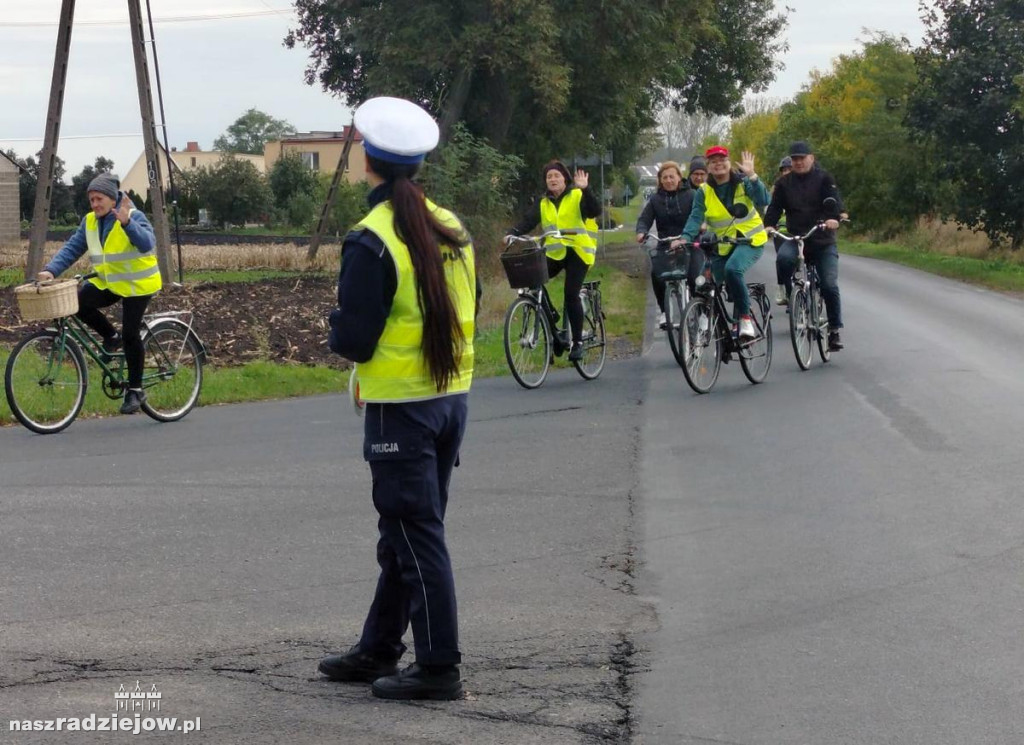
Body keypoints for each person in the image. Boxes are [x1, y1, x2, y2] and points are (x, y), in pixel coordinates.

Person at [321, 96, 478, 702]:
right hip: (450, 401)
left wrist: (335, 329)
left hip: (400, 408)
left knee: (415, 534)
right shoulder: (452, 226)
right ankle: (380, 648)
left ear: (368, 159)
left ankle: (439, 668)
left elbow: (355, 338)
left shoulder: (371, 238)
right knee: (408, 532)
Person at [36, 173, 160, 414]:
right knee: (78, 302)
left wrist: (127, 224)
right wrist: (50, 271)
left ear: (113, 198)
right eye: (91, 200)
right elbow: (73, 247)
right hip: (110, 283)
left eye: (99, 198)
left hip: (138, 285)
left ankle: (135, 390)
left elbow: (147, 243)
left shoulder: (133, 216)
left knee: (131, 334)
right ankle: (110, 336)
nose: (94, 204)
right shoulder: (91, 221)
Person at [509, 160, 601, 361]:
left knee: (570, 294)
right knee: (532, 280)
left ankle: (576, 342)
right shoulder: (543, 202)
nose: (552, 179)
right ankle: (551, 316)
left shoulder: (577, 195)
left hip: (578, 252)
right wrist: (512, 233)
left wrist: (586, 190)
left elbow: (594, 211)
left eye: (556, 176)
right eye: (549, 177)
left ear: (565, 178)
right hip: (555, 253)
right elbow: (528, 220)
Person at [680, 146, 770, 341]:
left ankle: (745, 320)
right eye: (713, 161)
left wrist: (753, 175)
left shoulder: (743, 183)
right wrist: (685, 238)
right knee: (702, 282)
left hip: (749, 240)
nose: (718, 164)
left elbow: (763, 199)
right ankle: (710, 320)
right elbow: (695, 218)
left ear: (729, 163)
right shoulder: (704, 191)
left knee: (733, 270)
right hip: (722, 245)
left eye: (722, 160)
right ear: (708, 167)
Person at [764, 140, 847, 351]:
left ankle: (834, 329)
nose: (798, 162)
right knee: (783, 259)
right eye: (795, 159)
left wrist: (833, 218)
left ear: (811, 158)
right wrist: (769, 225)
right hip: (797, 237)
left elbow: (832, 200)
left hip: (822, 240)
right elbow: (774, 207)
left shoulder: (824, 178)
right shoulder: (784, 184)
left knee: (829, 284)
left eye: (802, 158)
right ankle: (792, 294)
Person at [635, 157, 707, 328]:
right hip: (665, 243)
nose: (668, 180)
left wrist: (702, 224)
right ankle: (665, 311)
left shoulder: (692, 195)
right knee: (657, 275)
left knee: (695, 277)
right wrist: (641, 231)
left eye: (671, 177)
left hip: (690, 242)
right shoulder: (655, 200)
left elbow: (700, 214)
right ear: (660, 180)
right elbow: (644, 219)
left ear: (679, 177)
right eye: (664, 177)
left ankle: (702, 312)